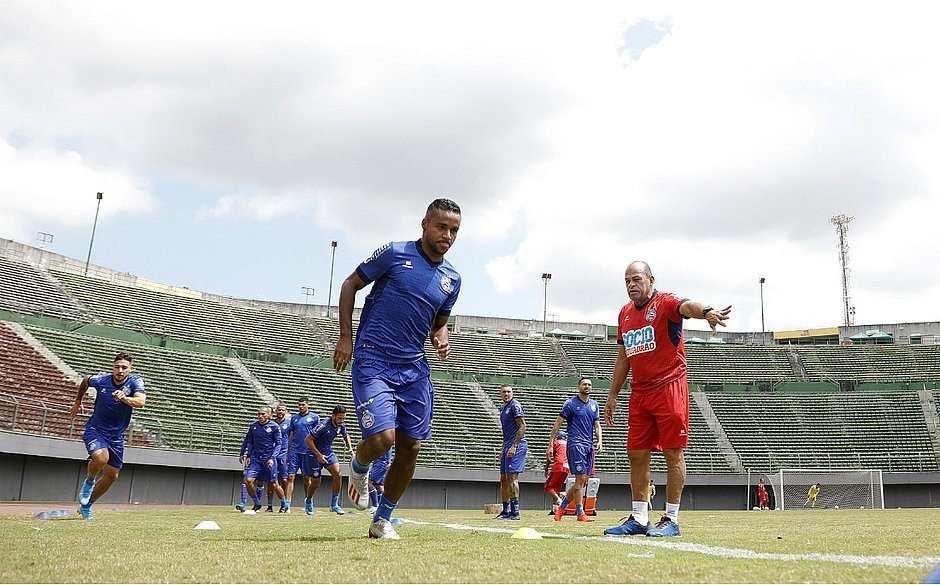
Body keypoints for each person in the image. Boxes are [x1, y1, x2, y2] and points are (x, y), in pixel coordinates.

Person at [333, 198, 462, 540]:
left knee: (410, 447)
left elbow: (439, 323)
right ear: (424, 224)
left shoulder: (452, 279)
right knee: (382, 438)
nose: (446, 235)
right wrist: (346, 337)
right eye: (441, 227)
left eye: (453, 230)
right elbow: (350, 285)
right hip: (374, 358)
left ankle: (382, 519)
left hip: (414, 369)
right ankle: (359, 468)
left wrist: (442, 336)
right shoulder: (393, 252)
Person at [604, 261, 731, 537]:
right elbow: (623, 358)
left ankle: (671, 519)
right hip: (640, 392)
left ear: (651, 279)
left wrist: (707, 312)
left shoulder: (665, 303)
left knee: (672, 453)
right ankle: (639, 518)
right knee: (636, 454)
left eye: (636, 279)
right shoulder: (624, 314)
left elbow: (687, 306)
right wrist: (613, 395)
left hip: (669, 387)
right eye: (626, 281)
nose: (631, 285)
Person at [68, 352, 147, 520]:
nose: (120, 370)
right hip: (95, 430)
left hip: (116, 436)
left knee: (112, 476)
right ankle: (89, 481)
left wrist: (125, 398)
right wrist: (77, 401)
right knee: (101, 459)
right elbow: (85, 380)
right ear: (113, 367)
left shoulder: (135, 382)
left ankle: (86, 506)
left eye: (124, 367)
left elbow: (141, 402)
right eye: (117, 367)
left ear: (130, 369)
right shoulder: (101, 380)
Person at [548, 377, 603, 523]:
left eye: (589, 384)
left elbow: (597, 426)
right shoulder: (570, 404)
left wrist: (600, 441)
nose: (587, 386)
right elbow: (557, 425)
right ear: (579, 387)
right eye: (584, 384)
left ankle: (561, 509)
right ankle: (580, 513)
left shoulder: (594, 405)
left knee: (583, 481)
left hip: (588, 445)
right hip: (575, 444)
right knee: (579, 479)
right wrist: (550, 444)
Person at [305, 405, 355, 515]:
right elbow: (308, 439)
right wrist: (318, 455)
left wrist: (350, 450)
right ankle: (308, 500)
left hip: (328, 453)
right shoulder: (323, 425)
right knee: (316, 482)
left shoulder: (341, 425)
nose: (341, 421)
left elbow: (345, 435)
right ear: (333, 416)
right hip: (314, 455)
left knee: (338, 474)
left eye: (343, 418)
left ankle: (334, 505)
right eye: (340, 418)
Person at [239, 406, 286, 512]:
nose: (260, 416)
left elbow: (279, 443)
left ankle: (284, 503)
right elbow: (249, 441)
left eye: (263, 414)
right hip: (255, 459)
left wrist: (272, 458)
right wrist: (246, 454)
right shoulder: (253, 426)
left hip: (268, 459)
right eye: (259, 414)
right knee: (248, 481)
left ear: (268, 415)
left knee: (274, 484)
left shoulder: (274, 427)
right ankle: (257, 503)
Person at [495, 384, 527, 520]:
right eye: (504, 392)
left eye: (508, 392)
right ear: (500, 393)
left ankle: (515, 511)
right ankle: (506, 510)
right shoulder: (503, 408)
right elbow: (506, 432)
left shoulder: (515, 406)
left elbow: (522, 426)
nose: (506, 394)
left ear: (512, 393)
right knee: (503, 479)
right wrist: (503, 448)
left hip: (517, 445)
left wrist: (514, 446)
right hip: (507, 444)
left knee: (512, 478)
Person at [286, 397, 320, 515]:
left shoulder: (315, 418)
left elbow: (317, 435)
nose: (301, 407)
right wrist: (288, 450)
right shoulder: (294, 418)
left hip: (307, 451)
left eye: (303, 405)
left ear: (308, 405)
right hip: (295, 451)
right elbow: (291, 434)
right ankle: (287, 504)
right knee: (290, 476)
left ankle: (308, 501)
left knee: (307, 479)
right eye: (299, 405)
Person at [268, 404, 291, 513]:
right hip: (271, 454)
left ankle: (285, 504)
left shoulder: (289, 424)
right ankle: (269, 505)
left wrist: (289, 453)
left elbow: (291, 438)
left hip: (283, 454)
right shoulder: (270, 424)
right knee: (271, 480)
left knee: (285, 479)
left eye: (283, 410)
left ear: (285, 412)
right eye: (279, 410)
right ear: (275, 411)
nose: (281, 412)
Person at [543, 430, 569, 515]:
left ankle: (561, 502)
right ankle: (555, 509)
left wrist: (546, 469)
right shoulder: (568, 444)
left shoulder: (555, 442)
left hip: (558, 465)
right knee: (556, 489)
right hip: (566, 467)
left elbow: (549, 457)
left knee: (548, 487)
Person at [367, 448, 393, 515]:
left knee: (369, 482)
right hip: (380, 463)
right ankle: (381, 507)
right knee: (379, 486)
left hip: (381, 463)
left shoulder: (384, 440)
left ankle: (375, 506)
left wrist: (388, 462)